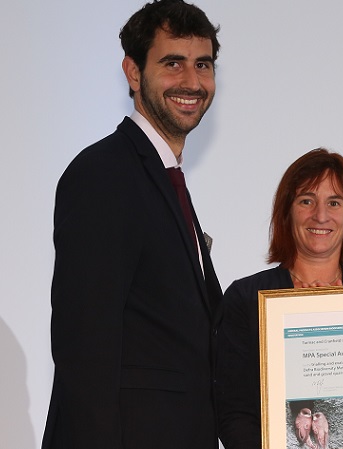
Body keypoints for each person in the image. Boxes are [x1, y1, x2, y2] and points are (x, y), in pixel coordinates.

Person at [42, 1, 222, 448]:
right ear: (133, 72)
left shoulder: (162, 179)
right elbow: (84, 350)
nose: (192, 81)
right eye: (172, 63)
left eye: (203, 64)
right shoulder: (103, 175)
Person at [215, 148, 343, 449]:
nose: (321, 215)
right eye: (306, 201)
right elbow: (233, 412)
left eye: (334, 202)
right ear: (287, 213)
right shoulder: (246, 299)